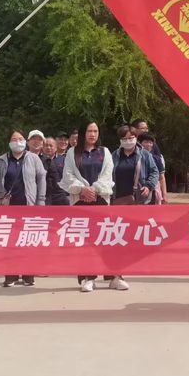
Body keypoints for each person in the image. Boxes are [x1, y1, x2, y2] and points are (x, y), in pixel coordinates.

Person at [59, 121, 121, 292]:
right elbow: (68, 175)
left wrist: (94, 189)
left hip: (100, 200)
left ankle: (114, 277)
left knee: (107, 238)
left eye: (95, 131)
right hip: (80, 201)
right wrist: (82, 189)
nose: (92, 134)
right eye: (89, 131)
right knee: (85, 241)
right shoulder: (72, 152)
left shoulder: (104, 152)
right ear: (82, 133)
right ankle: (88, 277)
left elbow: (108, 175)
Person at [0, 129, 46, 287]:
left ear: (25, 141)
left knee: (28, 240)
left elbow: (41, 178)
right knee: (10, 241)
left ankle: (28, 275)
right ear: (9, 142)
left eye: (20, 139)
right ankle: (11, 275)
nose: (17, 142)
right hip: (7, 208)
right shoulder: (1, 160)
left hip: (28, 206)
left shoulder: (33, 158)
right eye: (14, 139)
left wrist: (41, 201)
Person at [111, 125, 158, 206]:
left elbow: (154, 172)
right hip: (118, 199)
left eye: (131, 138)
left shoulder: (145, 154)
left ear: (136, 138)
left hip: (139, 199)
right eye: (124, 139)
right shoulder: (115, 155)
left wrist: (148, 186)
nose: (128, 141)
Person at [133, 119, 168, 204]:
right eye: (143, 128)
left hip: (151, 189)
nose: (146, 130)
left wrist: (164, 195)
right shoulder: (129, 148)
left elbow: (160, 174)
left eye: (146, 128)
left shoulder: (154, 152)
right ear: (135, 129)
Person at [138, 132, 167, 204]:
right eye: (146, 142)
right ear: (140, 143)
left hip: (152, 191)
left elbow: (161, 178)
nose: (148, 145)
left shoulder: (157, 159)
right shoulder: (135, 157)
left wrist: (164, 195)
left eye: (151, 143)